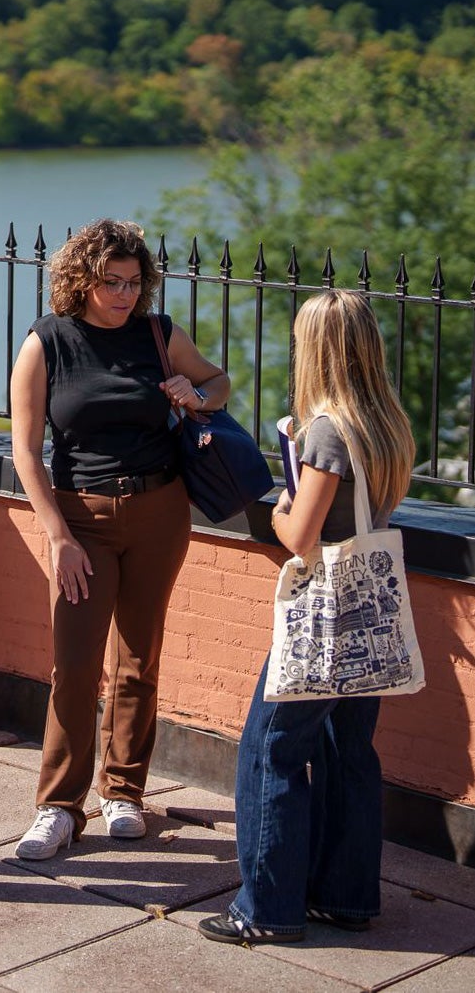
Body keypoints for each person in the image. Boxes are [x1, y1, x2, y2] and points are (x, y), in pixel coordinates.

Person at [199, 289, 416, 945]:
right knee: (349, 750)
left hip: (324, 611)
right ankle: (346, 897)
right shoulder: (387, 423)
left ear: (315, 349)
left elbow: (298, 534)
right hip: (371, 605)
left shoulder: (327, 428)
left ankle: (264, 909)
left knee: (270, 750)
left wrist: (281, 501)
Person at [10, 218, 231, 860]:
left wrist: (196, 393)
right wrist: (57, 536)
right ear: (81, 279)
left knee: (140, 658)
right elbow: (26, 452)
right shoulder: (47, 343)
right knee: (75, 667)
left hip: (161, 509)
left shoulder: (159, 336)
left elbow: (219, 382)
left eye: (134, 282)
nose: (125, 294)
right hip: (80, 520)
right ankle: (58, 806)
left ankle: (124, 792)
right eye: (111, 282)